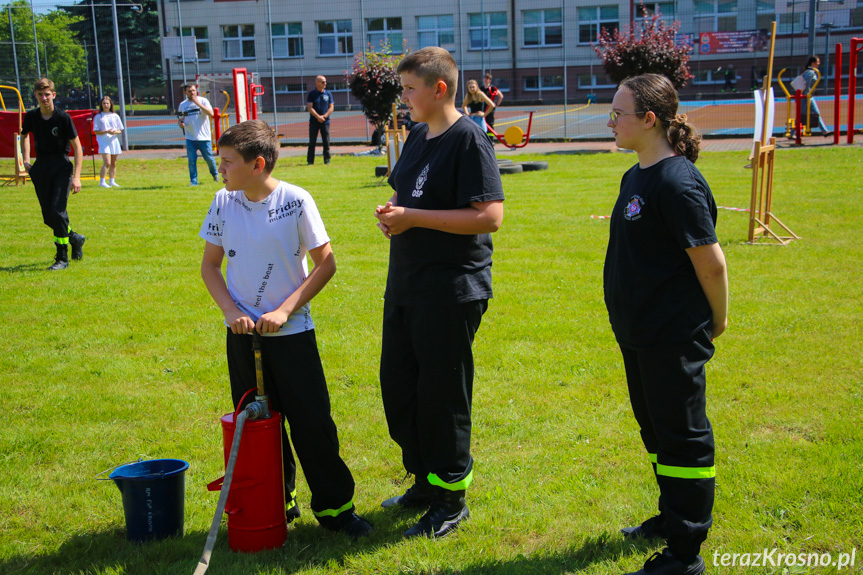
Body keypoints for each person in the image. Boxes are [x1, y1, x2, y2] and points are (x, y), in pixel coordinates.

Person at [199, 119, 373, 539]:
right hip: (242, 336)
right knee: (259, 423)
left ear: (257, 164)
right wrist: (230, 313)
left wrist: (284, 310)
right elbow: (210, 266)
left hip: (292, 334)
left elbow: (325, 262)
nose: (220, 169)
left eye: (227, 162)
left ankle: (336, 509)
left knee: (312, 422)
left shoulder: (296, 200)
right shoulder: (223, 201)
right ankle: (278, 500)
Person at [374, 47, 504, 539]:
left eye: (409, 89)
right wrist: (395, 212)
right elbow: (412, 197)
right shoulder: (417, 136)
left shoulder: (468, 137)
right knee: (400, 388)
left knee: (442, 395)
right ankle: (426, 481)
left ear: (439, 89)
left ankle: (451, 497)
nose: (403, 99)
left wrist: (414, 218)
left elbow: (490, 216)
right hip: (407, 283)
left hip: (451, 289)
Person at [604, 73, 728, 575]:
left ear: (649, 119)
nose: (610, 121)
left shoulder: (677, 183)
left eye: (619, 112)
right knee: (656, 432)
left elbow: (712, 264)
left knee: (681, 436)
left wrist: (717, 321)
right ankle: (670, 516)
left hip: (672, 333)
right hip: (639, 332)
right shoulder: (636, 174)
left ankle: (685, 553)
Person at [21, 78, 86, 271]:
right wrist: (26, 160)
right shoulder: (31, 116)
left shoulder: (62, 117)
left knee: (58, 212)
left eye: (47, 94)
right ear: (36, 95)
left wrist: (77, 176)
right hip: (41, 167)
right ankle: (75, 238)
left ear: (53, 95)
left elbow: (78, 147)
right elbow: (24, 136)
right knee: (49, 217)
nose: (44, 98)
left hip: (61, 166)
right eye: (40, 95)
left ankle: (62, 258)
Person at [178, 83, 218, 186]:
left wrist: (199, 104)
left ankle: (215, 175)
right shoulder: (183, 105)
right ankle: (193, 181)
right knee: (191, 161)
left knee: (208, 158)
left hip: (203, 137)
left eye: (193, 90)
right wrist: (180, 124)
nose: (192, 93)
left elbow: (211, 114)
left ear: (196, 91)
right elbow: (181, 119)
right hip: (190, 137)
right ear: (185, 92)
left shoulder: (203, 101)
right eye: (189, 91)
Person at [92, 95, 124, 188]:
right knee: (107, 162)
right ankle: (102, 182)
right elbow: (96, 130)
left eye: (107, 103)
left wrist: (114, 131)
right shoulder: (99, 116)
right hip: (103, 141)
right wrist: (106, 131)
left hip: (113, 141)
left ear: (110, 104)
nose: (106, 105)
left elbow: (120, 129)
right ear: (101, 105)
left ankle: (112, 181)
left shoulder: (115, 116)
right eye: (104, 103)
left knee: (114, 163)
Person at [306, 75, 334, 165]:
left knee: (326, 141)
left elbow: (331, 107)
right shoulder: (312, 94)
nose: (325, 83)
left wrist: (324, 116)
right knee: (312, 142)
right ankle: (310, 161)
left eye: (325, 82)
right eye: (323, 82)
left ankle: (327, 160)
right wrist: (318, 117)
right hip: (314, 122)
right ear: (317, 82)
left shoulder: (328, 94)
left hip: (325, 122)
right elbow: (310, 108)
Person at [803, 56, 831, 137]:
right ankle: (792, 133)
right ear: (813, 63)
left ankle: (825, 131)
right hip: (806, 96)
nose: (819, 63)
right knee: (803, 115)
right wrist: (807, 92)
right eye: (817, 62)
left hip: (808, 96)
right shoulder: (810, 72)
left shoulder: (811, 71)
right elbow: (806, 83)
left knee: (814, 113)